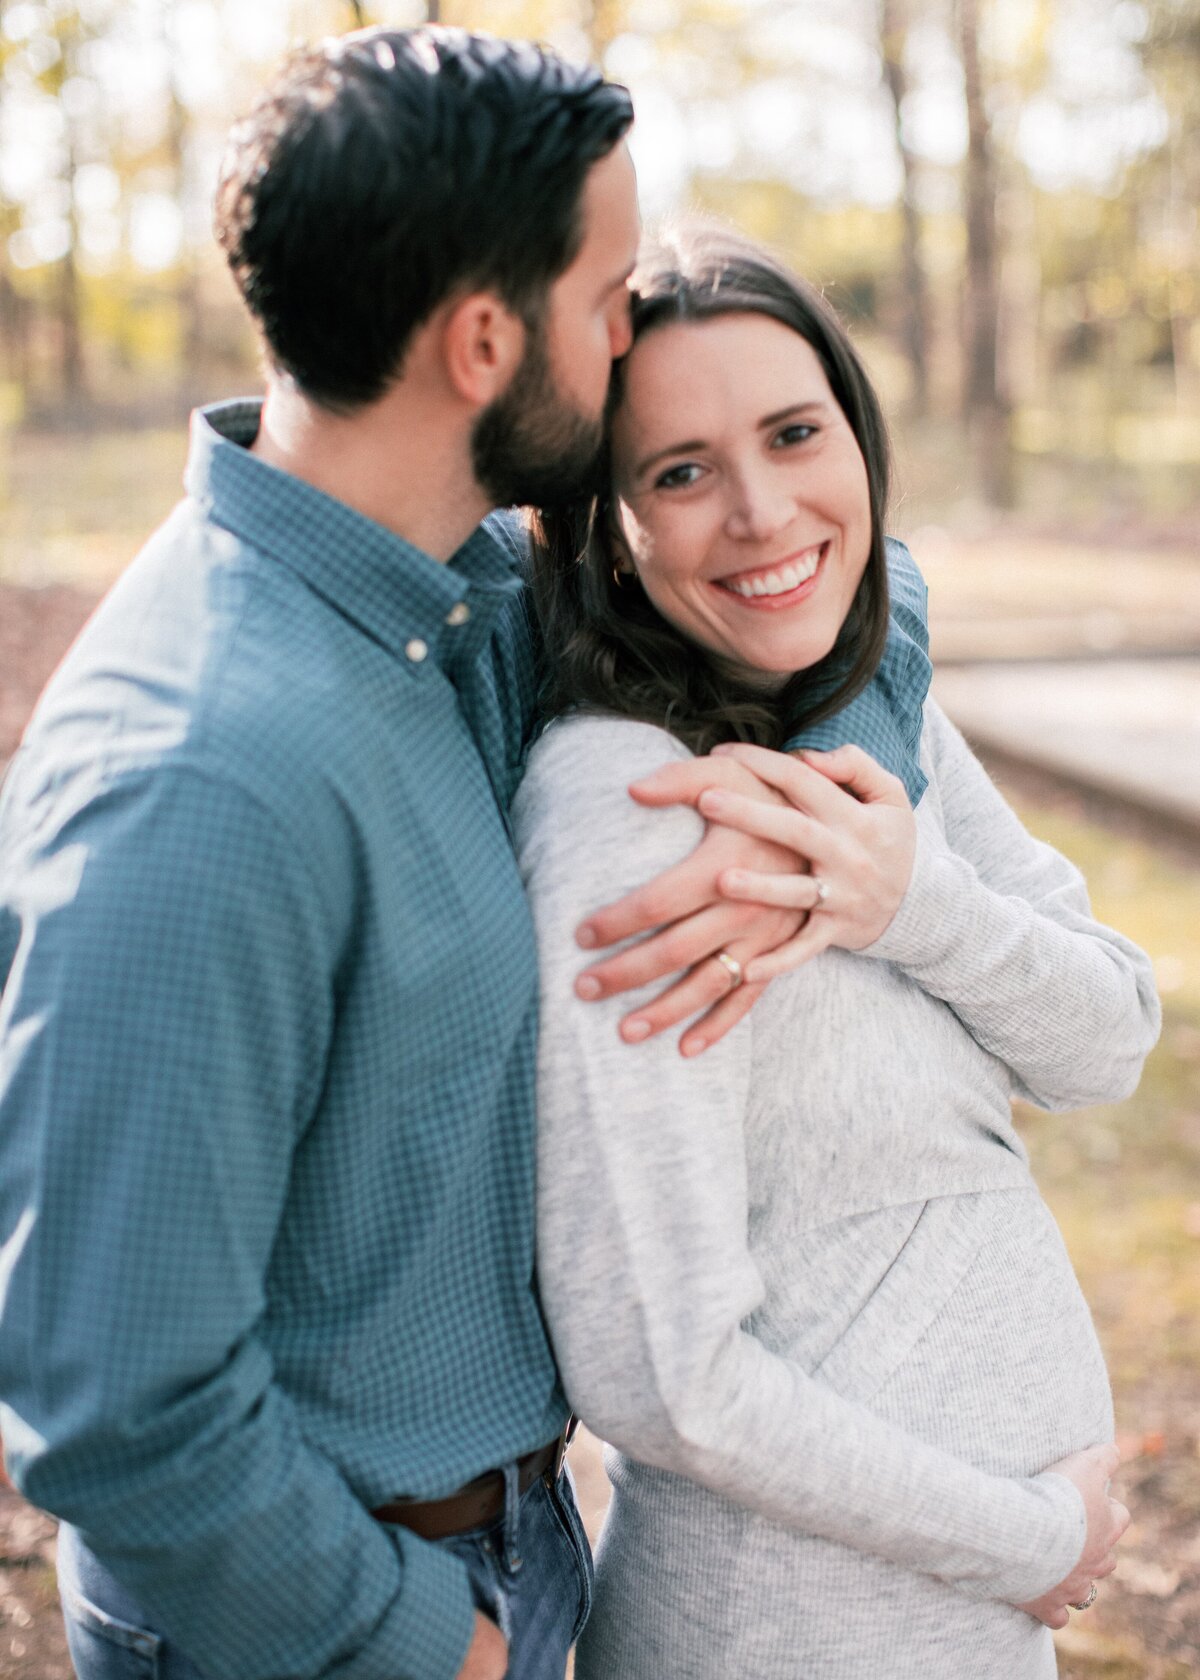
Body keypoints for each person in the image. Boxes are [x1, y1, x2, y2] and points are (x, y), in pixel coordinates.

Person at [0, 32, 936, 1680]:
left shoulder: (457, 599)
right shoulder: (198, 776)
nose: (634, 326)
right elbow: (111, 1401)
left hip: (514, 1536)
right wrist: (426, 1643)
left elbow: (856, 576)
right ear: (486, 341)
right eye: (611, 291)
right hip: (317, 1623)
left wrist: (854, 819)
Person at [515, 223, 1160, 1679]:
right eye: (680, 472)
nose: (760, 511)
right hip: (790, 1626)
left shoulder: (871, 715)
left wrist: (911, 898)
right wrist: (1026, 1541)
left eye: (797, 433)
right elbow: (662, 1373)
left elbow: (1110, 1037)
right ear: (604, 525)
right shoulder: (635, 816)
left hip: (955, 1620)